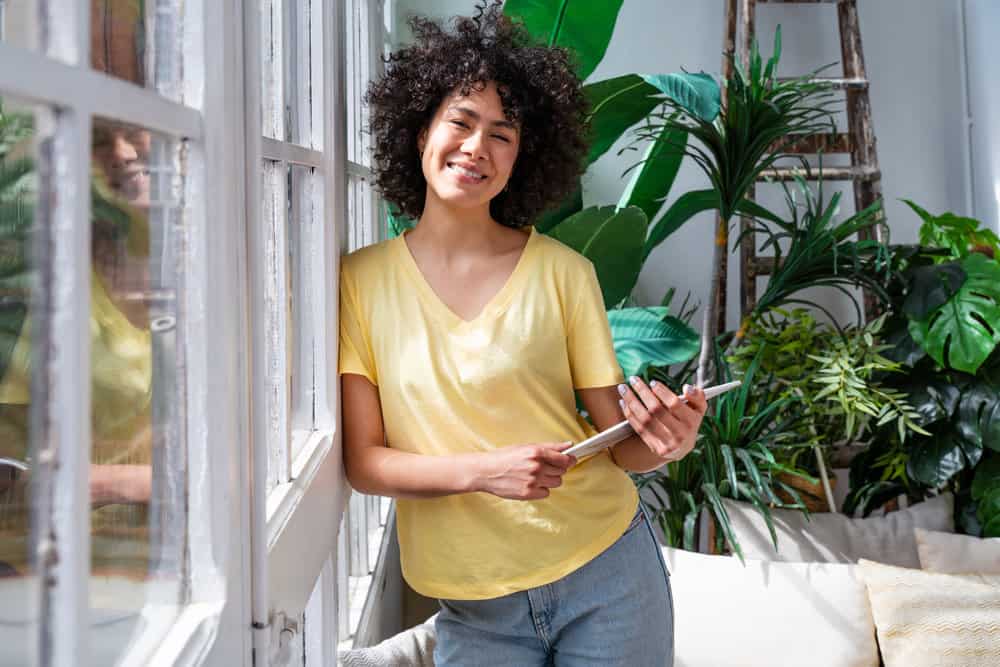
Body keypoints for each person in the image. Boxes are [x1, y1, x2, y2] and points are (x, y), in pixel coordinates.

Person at [339, 3, 707, 665]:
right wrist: (486, 471)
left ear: (521, 159)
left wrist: (665, 442)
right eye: (462, 120)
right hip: (475, 609)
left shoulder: (566, 273)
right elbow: (365, 462)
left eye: (503, 134)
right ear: (420, 128)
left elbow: (621, 447)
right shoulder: (361, 283)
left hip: (608, 574)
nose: (478, 146)